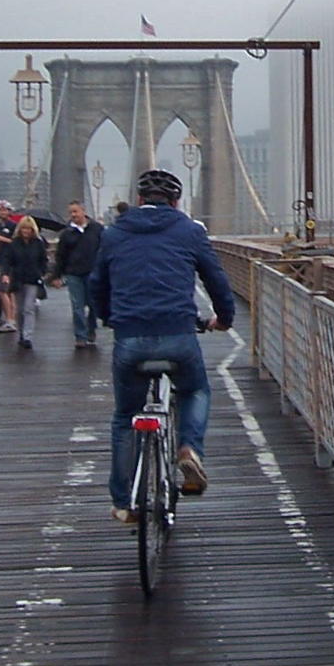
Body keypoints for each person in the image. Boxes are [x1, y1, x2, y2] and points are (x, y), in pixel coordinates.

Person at [90, 168, 235, 523]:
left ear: (139, 200)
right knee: (196, 390)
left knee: (126, 417)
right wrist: (224, 318)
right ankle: (189, 448)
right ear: (176, 202)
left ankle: (123, 503)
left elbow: (97, 284)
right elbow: (215, 279)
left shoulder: (113, 233)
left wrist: (108, 317)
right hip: (178, 334)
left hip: (130, 338)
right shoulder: (190, 231)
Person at [49, 200, 102, 348]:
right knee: (77, 306)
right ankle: (80, 336)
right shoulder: (67, 234)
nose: (73, 215)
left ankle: (91, 330)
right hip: (74, 273)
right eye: (71, 212)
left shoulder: (97, 229)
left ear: (83, 211)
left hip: (92, 272)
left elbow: (104, 250)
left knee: (93, 305)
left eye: (75, 211)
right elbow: (61, 256)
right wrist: (56, 275)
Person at [0, 215, 48, 350]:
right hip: (18, 280)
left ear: (33, 230)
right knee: (20, 310)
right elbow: (7, 260)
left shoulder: (38, 243)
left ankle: (27, 337)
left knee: (28, 308)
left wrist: (41, 273)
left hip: (32, 279)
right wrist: (5, 274)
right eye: (24, 229)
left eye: (28, 229)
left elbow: (43, 260)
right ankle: (22, 333)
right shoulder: (14, 244)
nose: (26, 231)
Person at [0, 200, 21, 332]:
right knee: (9, 292)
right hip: (3, 259)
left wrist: (0, 238)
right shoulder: (1, 224)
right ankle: (11, 318)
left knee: (3, 291)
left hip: (8, 262)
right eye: (0, 210)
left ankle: (10, 320)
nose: (2, 212)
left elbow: (15, 242)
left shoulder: (12, 225)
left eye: (4, 210)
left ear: (9, 211)